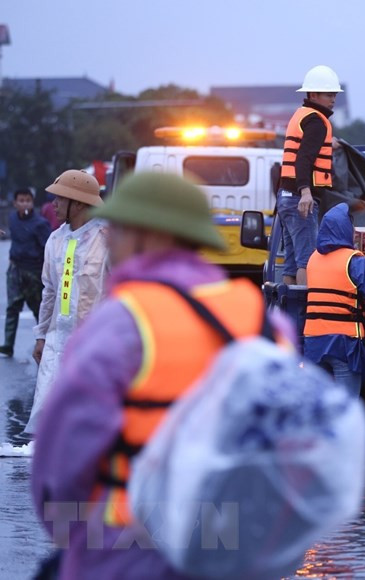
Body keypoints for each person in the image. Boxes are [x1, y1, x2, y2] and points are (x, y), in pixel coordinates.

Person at [30, 172, 298, 579]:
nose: (111, 238)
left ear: (147, 237)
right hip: (227, 540)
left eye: (120, 229)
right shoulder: (264, 324)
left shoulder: (118, 323)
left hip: (126, 540)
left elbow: (59, 470)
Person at [25, 170, 110, 436]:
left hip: (94, 340)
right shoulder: (55, 240)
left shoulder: (107, 240)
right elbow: (49, 290)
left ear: (80, 203)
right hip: (56, 339)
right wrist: (41, 336)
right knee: (49, 413)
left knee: (88, 412)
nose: (54, 205)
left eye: (61, 198)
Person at [304, 202, 365, 396]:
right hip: (343, 344)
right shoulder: (355, 260)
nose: (355, 231)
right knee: (345, 410)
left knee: (319, 406)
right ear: (344, 229)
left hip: (313, 343)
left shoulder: (313, 258)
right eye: (352, 226)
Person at [277, 65, 343, 286]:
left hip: (285, 197)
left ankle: (286, 313)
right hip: (300, 200)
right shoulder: (317, 121)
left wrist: (329, 145)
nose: (333, 99)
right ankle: (304, 311)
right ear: (313, 95)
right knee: (307, 262)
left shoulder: (302, 115)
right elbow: (303, 158)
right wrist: (305, 192)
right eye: (328, 94)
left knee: (291, 263)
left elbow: (302, 150)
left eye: (334, 94)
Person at [1, 188, 51, 357]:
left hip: (33, 271)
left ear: (32, 202)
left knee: (38, 309)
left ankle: (43, 341)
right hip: (15, 269)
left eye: (27, 200)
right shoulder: (13, 219)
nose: (24, 203)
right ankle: (8, 344)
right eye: (21, 200)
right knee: (12, 307)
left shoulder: (40, 224)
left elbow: (47, 249)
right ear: (15, 203)